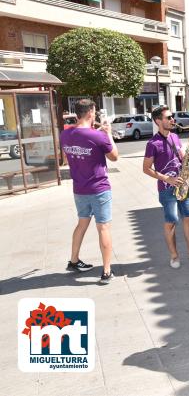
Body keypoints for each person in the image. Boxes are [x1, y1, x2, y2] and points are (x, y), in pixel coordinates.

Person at [143, 106, 189, 269]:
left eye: (172, 117)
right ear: (158, 121)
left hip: (182, 185)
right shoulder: (153, 143)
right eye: (168, 117)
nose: (172, 120)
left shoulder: (174, 136)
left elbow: (181, 156)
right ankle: (174, 256)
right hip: (167, 188)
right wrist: (167, 178)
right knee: (171, 221)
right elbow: (146, 168)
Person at [60, 99, 118, 283]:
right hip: (99, 188)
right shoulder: (98, 136)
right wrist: (108, 135)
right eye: (94, 112)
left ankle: (74, 261)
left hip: (79, 189)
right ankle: (107, 271)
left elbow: (66, 158)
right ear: (91, 113)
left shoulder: (65, 134)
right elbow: (114, 157)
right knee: (103, 227)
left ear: (77, 113)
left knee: (82, 224)